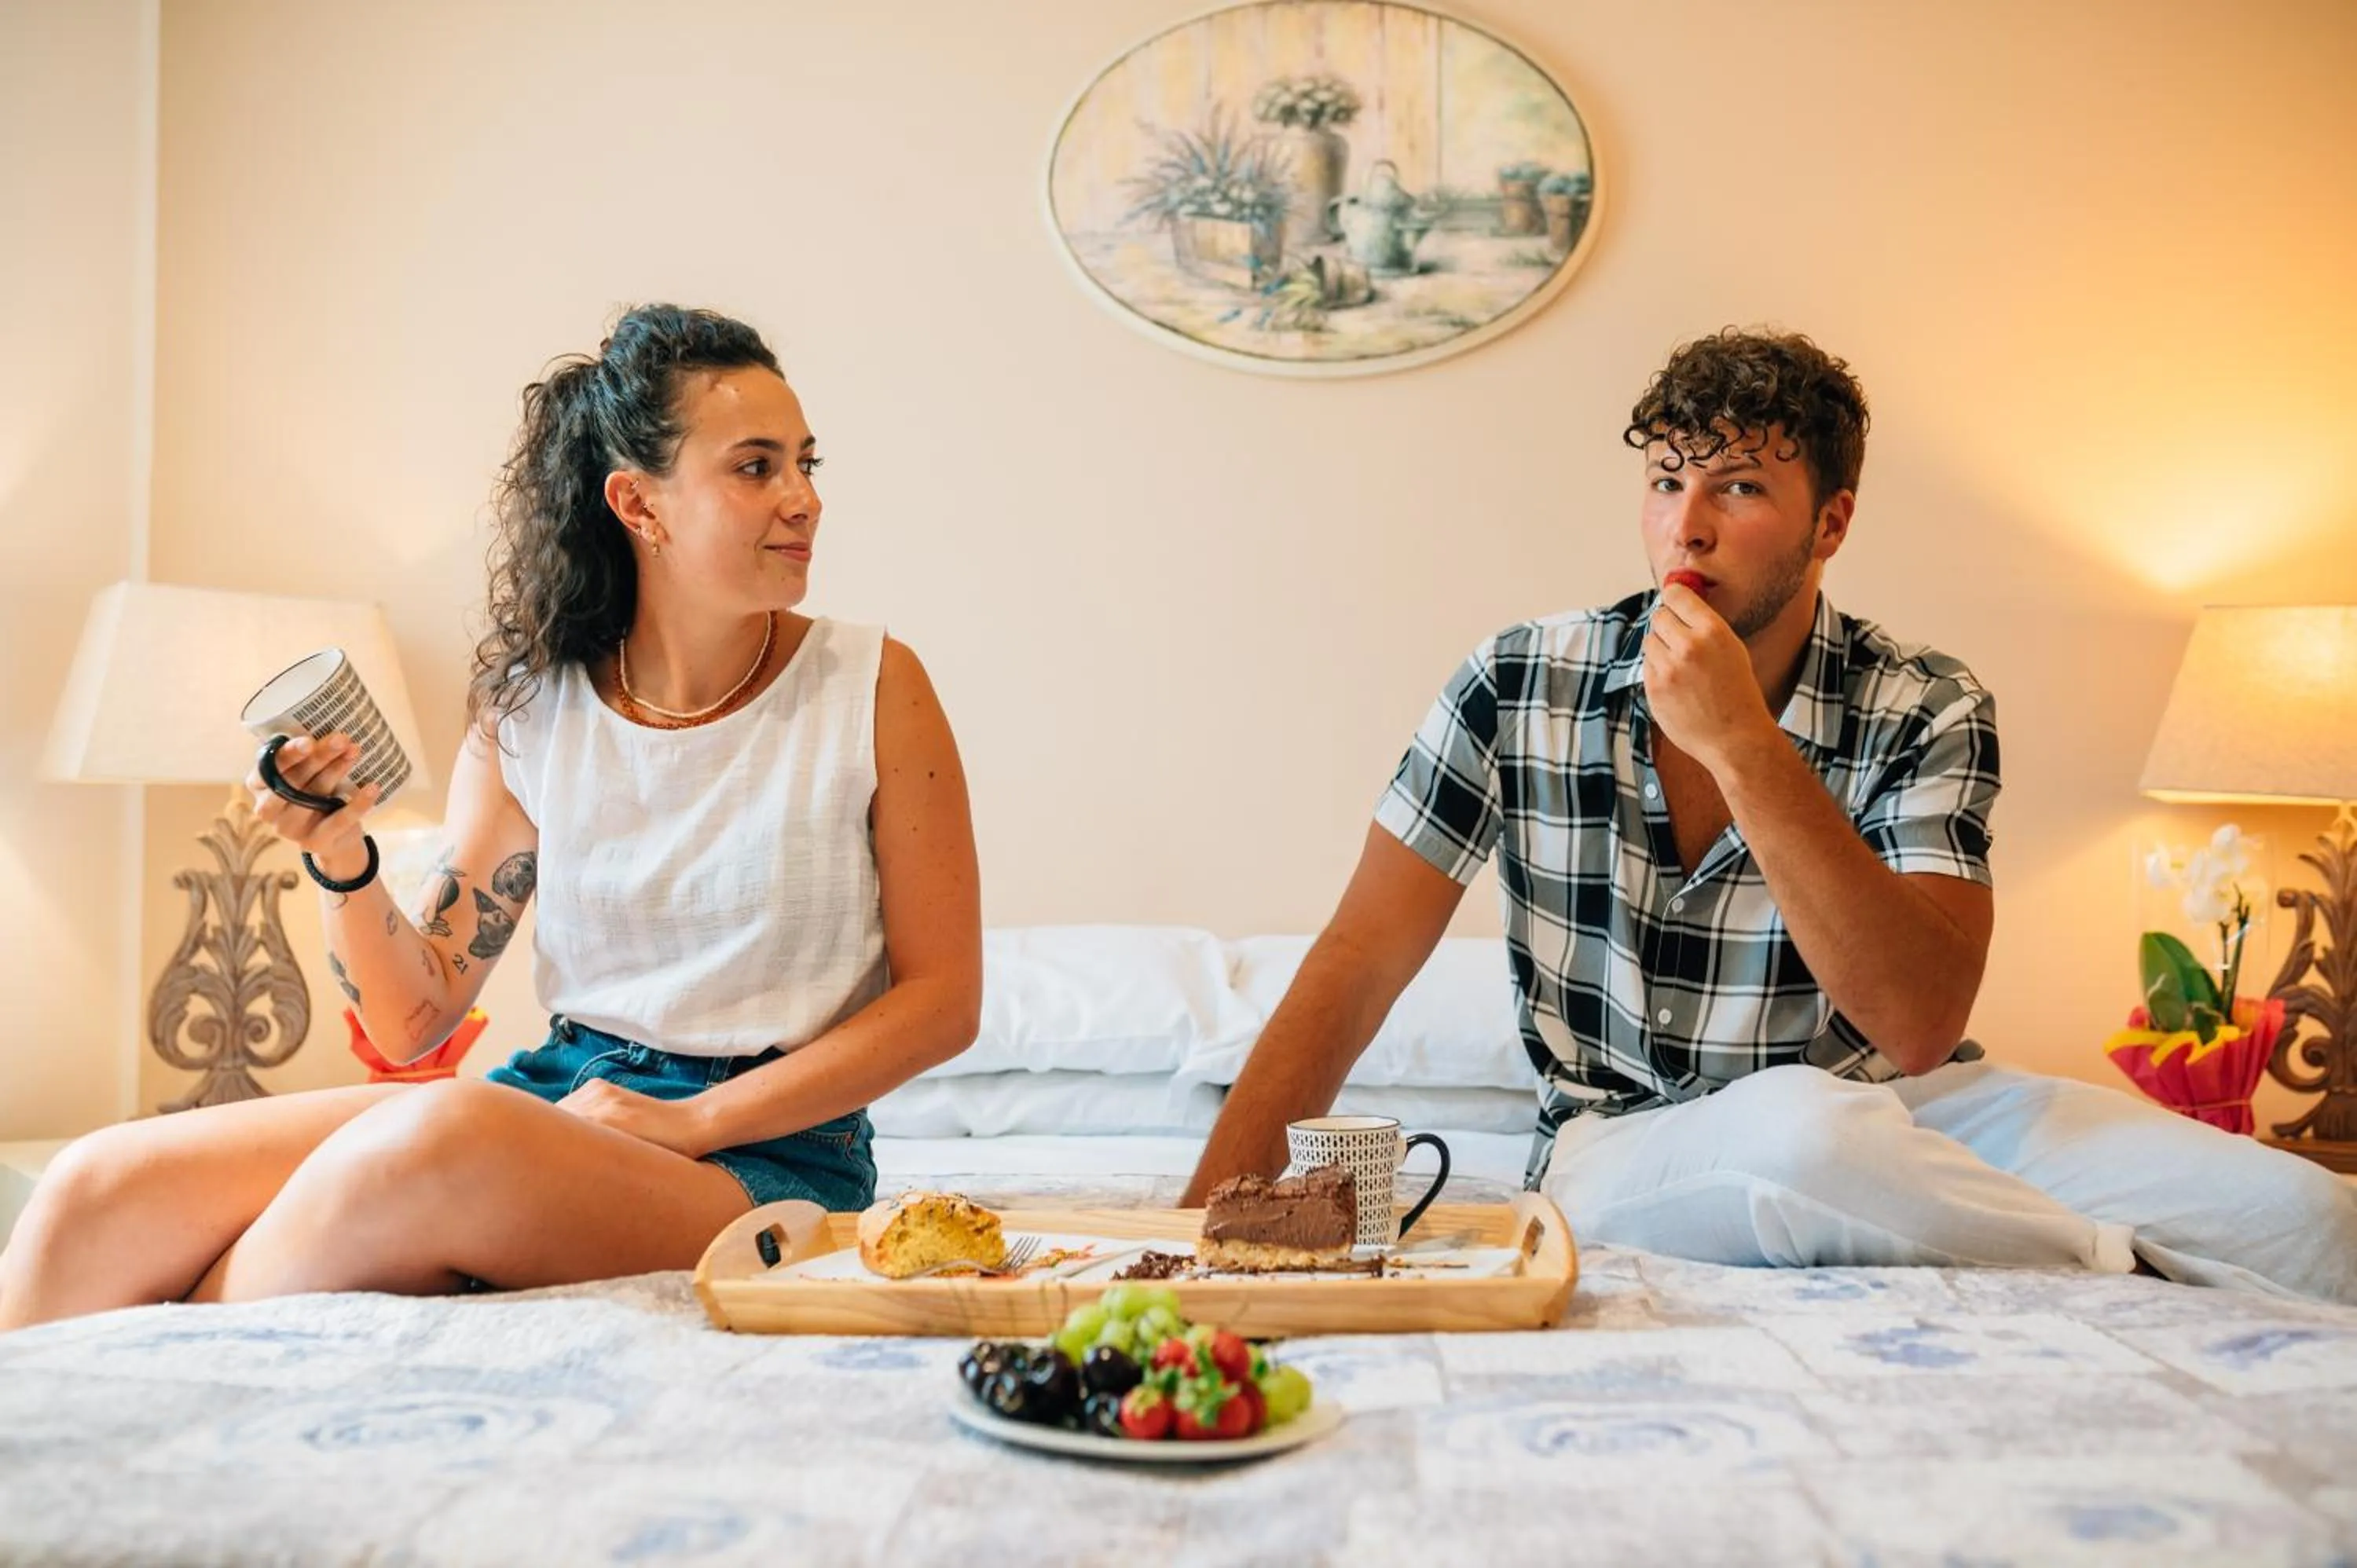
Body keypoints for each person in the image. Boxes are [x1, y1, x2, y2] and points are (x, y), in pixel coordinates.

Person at [1182, 328, 2357, 1303]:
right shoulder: (1517, 681)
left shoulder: (1925, 700)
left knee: (2310, 1220)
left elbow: (1916, 1025)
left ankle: (2054, 1219)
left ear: (1830, 524)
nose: (1684, 529)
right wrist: (1194, 1233)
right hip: (1628, 1138)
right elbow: (1357, 962)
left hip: (1910, 1103)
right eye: (1665, 483)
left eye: (1737, 487)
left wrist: (1745, 744)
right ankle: (2124, 1267)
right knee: (1808, 1140)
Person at [0, 304, 981, 1329]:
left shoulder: (874, 686)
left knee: (443, 1139)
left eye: (806, 464)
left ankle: (144, 1368)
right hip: (560, 1105)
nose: (804, 500)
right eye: (757, 467)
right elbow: (413, 1022)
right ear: (637, 504)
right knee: (97, 1184)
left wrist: (691, 1120)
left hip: (770, 1156)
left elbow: (942, 1001)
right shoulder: (532, 708)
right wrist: (342, 857)